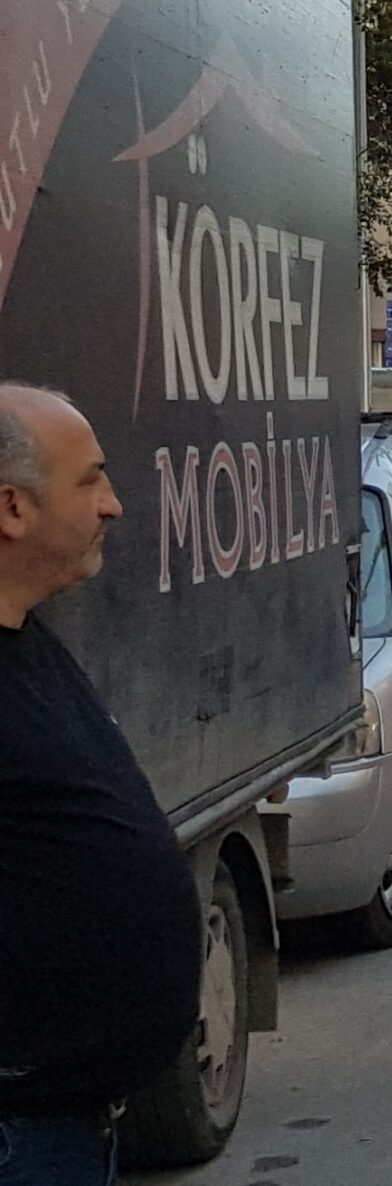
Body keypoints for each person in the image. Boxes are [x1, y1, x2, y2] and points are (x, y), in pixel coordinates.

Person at [0, 386, 201, 1184]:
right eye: (89, 481)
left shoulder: (27, 634)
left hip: (62, 1122)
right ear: (12, 508)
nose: (113, 506)